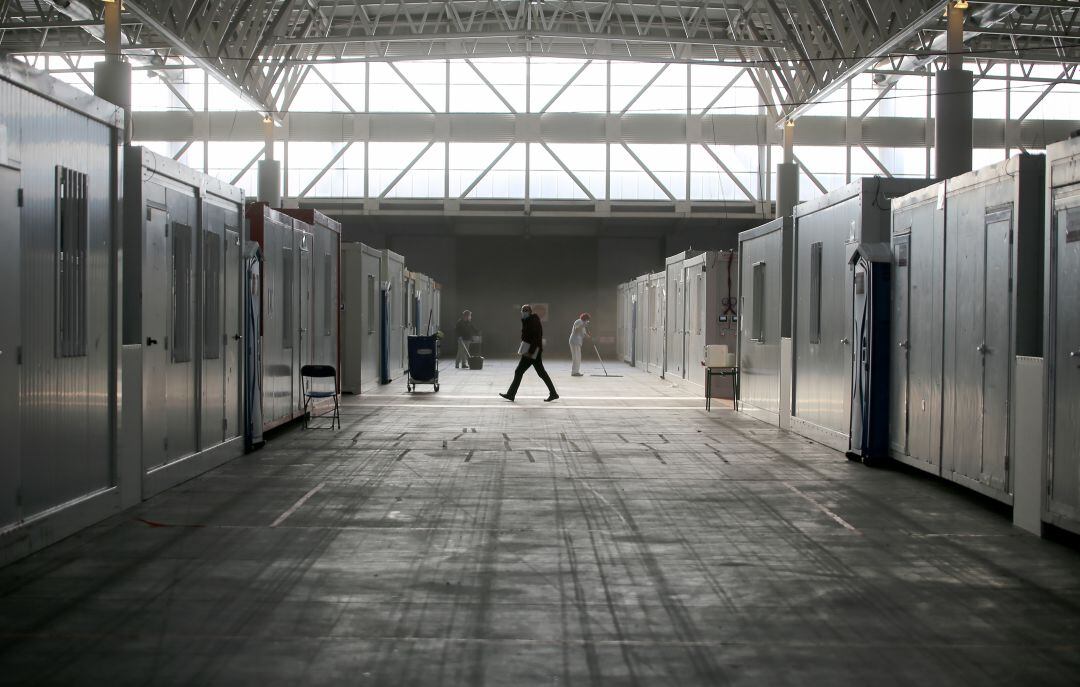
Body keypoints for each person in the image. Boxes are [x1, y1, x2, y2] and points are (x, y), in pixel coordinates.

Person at [500, 304, 559, 402]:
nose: (524, 312)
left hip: (532, 350)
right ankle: (553, 393)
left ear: (530, 312)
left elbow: (536, 337)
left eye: (525, 310)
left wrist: (531, 351)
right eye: (522, 310)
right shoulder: (528, 320)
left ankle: (511, 394)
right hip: (534, 350)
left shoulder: (533, 321)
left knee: (519, 371)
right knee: (541, 373)